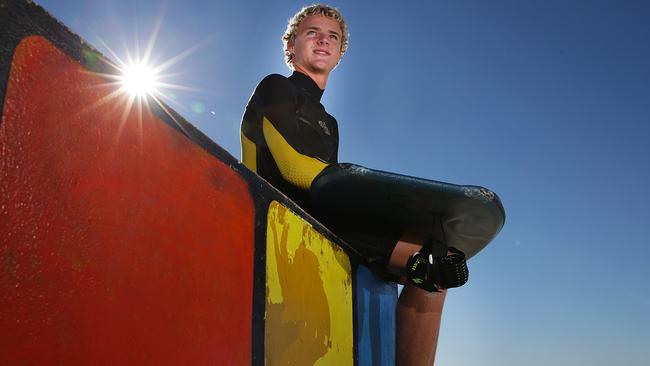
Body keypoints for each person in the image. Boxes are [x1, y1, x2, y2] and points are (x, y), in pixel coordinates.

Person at [240, 5, 468, 365]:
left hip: (325, 221)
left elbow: (327, 188)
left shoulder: (329, 122)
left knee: (439, 264)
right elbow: (292, 166)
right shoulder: (275, 87)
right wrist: (364, 192)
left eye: (333, 36)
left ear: (339, 54)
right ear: (291, 45)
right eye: (312, 32)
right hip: (276, 218)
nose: (323, 40)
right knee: (426, 260)